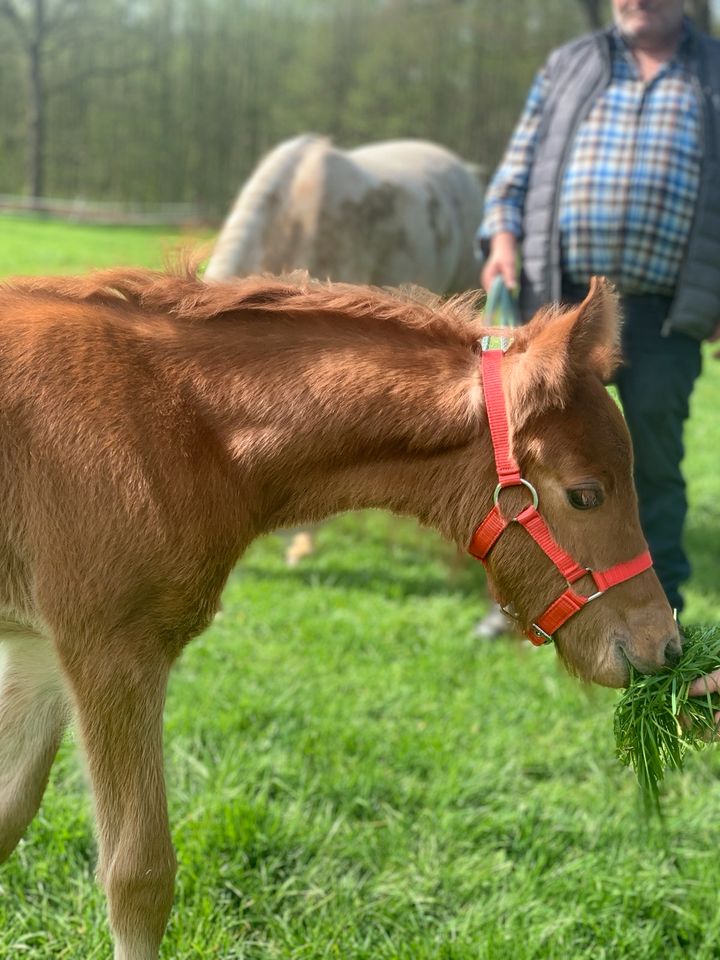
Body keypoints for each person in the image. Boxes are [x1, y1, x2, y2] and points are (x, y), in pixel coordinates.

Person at [475, 0, 720, 638]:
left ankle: (658, 611)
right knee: (534, 462)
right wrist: (501, 240)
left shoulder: (715, 70)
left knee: (650, 464)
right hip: (558, 311)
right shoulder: (571, 65)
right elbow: (513, 178)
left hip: (665, 315)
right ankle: (520, 604)